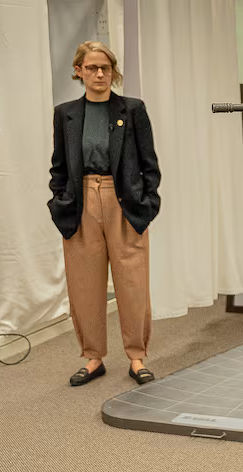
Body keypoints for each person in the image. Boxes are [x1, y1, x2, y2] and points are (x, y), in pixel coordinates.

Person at [49, 41, 161, 387]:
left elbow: (149, 165)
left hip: (123, 201)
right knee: (84, 283)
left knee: (132, 282)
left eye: (106, 68)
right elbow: (58, 166)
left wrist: (147, 203)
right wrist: (60, 202)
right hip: (81, 201)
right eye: (93, 68)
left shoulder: (132, 109)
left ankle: (137, 357)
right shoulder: (65, 113)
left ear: (113, 72)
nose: (100, 74)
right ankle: (93, 357)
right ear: (79, 71)